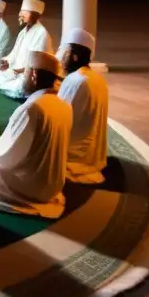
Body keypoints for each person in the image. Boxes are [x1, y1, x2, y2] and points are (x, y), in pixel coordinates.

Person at [0, 51, 72, 219]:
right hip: (51, 186)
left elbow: (6, 153)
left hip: (28, 187)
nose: (23, 77)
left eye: (26, 72)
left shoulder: (33, 108)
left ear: (34, 74)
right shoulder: (64, 106)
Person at [59, 28, 109, 184]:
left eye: (65, 53)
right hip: (93, 155)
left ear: (74, 57)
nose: (61, 58)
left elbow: (59, 118)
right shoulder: (97, 79)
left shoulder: (75, 80)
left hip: (74, 154)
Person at [0, 0, 52, 99]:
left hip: (30, 76)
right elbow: (14, 54)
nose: (20, 15)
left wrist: (20, 71)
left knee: (20, 88)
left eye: (24, 13)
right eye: (20, 12)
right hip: (15, 71)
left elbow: (38, 65)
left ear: (34, 15)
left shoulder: (42, 34)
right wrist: (5, 61)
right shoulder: (23, 32)